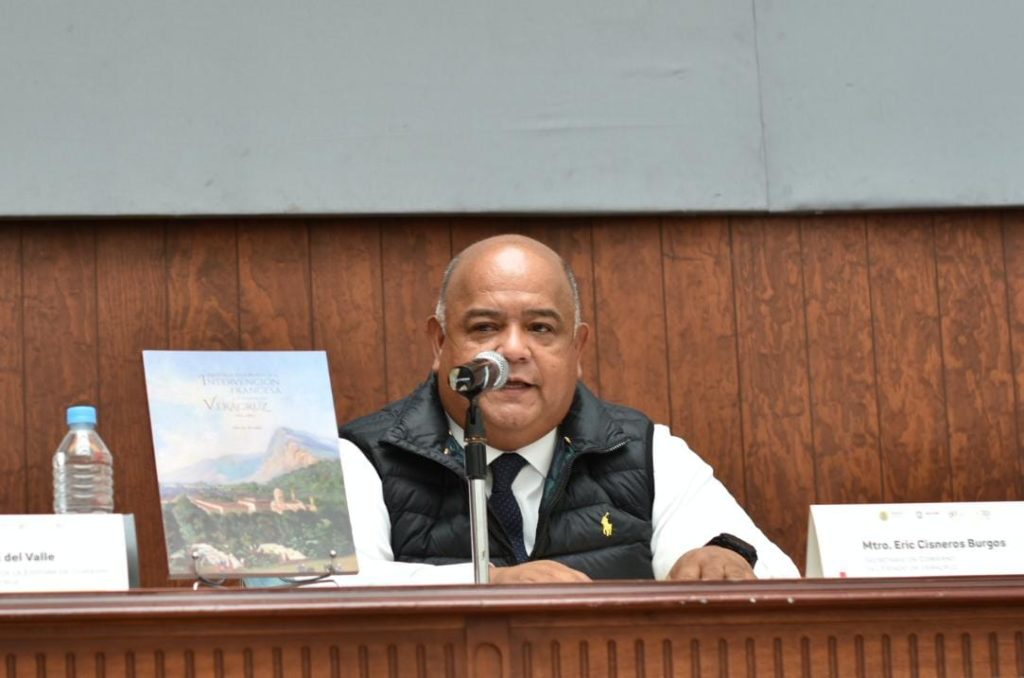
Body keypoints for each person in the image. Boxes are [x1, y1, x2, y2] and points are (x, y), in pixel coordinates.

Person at [335, 234, 799, 584]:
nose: (512, 350)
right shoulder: (361, 458)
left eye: (540, 328)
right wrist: (489, 583)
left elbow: (775, 576)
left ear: (577, 348)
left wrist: (722, 560)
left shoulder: (644, 451)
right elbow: (326, 588)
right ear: (439, 343)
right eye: (484, 327)